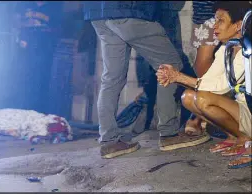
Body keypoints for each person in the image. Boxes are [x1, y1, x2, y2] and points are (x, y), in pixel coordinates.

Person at [82, 1, 210, 159]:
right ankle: (169, 133)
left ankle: (109, 141)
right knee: (170, 66)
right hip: (130, 10)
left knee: (112, 77)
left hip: (98, 12)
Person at [156, 1, 251, 168]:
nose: (214, 25)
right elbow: (208, 81)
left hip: (249, 112)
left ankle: (246, 141)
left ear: (238, 25)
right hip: (243, 110)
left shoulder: (248, 49)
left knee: (203, 99)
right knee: (188, 97)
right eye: (215, 20)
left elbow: (221, 85)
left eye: (221, 20)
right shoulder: (227, 47)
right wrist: (175, 77)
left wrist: (178, 77)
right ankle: (234, 136)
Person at [13, 1, 62, 114]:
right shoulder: (23, 4)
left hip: (45, 51)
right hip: (23, 51)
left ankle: (39, 114)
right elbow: (14, 23)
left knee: (41, 83)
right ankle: (21, 112)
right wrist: (27, 24)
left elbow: (59, 28)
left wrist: (44, 29)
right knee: (23, 82)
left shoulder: (55, 6)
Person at [184, 1, 220, 136]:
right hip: (204, 15)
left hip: (224, 12)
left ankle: (201, 116)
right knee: (204, 67)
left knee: (206, 64)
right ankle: (203, 115)